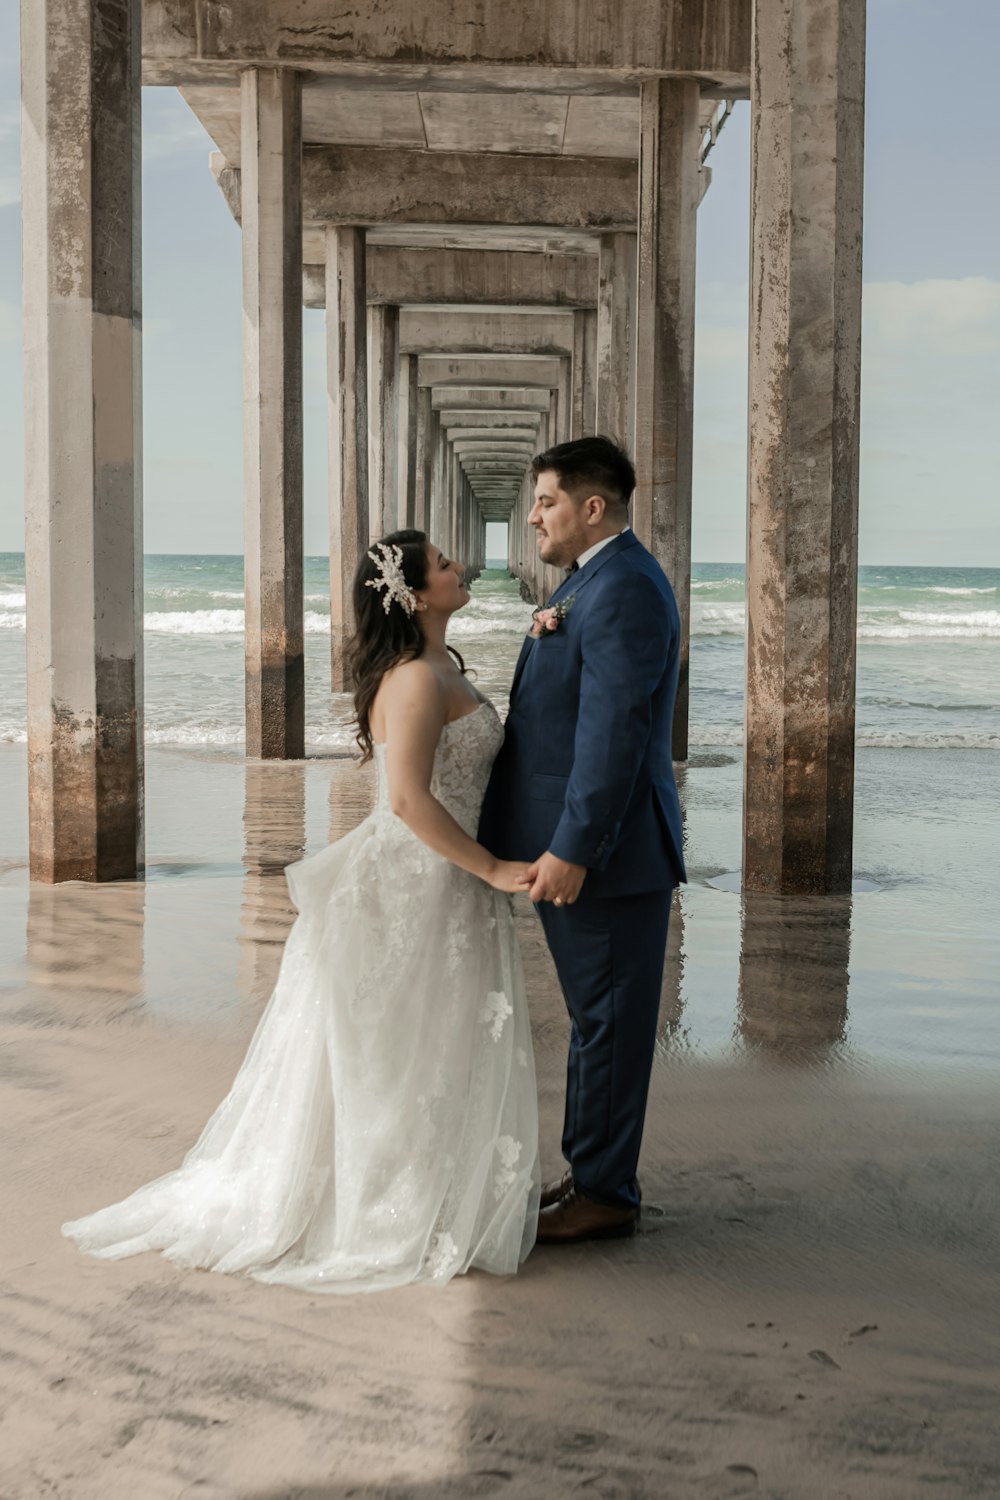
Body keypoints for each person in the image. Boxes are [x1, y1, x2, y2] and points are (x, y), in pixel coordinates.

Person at [63, 532, 540, 1293]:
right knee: (397, 1048)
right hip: (420, 880)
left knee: (427, 1041)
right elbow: (410, 800)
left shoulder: (440, 665)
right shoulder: (417, 679)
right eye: (447, 564)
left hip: (443, 878)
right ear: (416, 595)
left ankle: (436, 1187)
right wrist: (492, 868)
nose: (460, 569)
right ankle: (389, 1206)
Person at [479, 436, 686, 1244]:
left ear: (590, 507)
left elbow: (615, 734)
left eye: (546, 502)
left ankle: (604, 1194)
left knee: (607, 1021)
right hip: (591, 850)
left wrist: (574, 848)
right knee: (597, 1018)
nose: (532, 517)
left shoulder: (624, 589)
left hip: (608, 856)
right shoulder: (596, 583)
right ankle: (593, 1175)